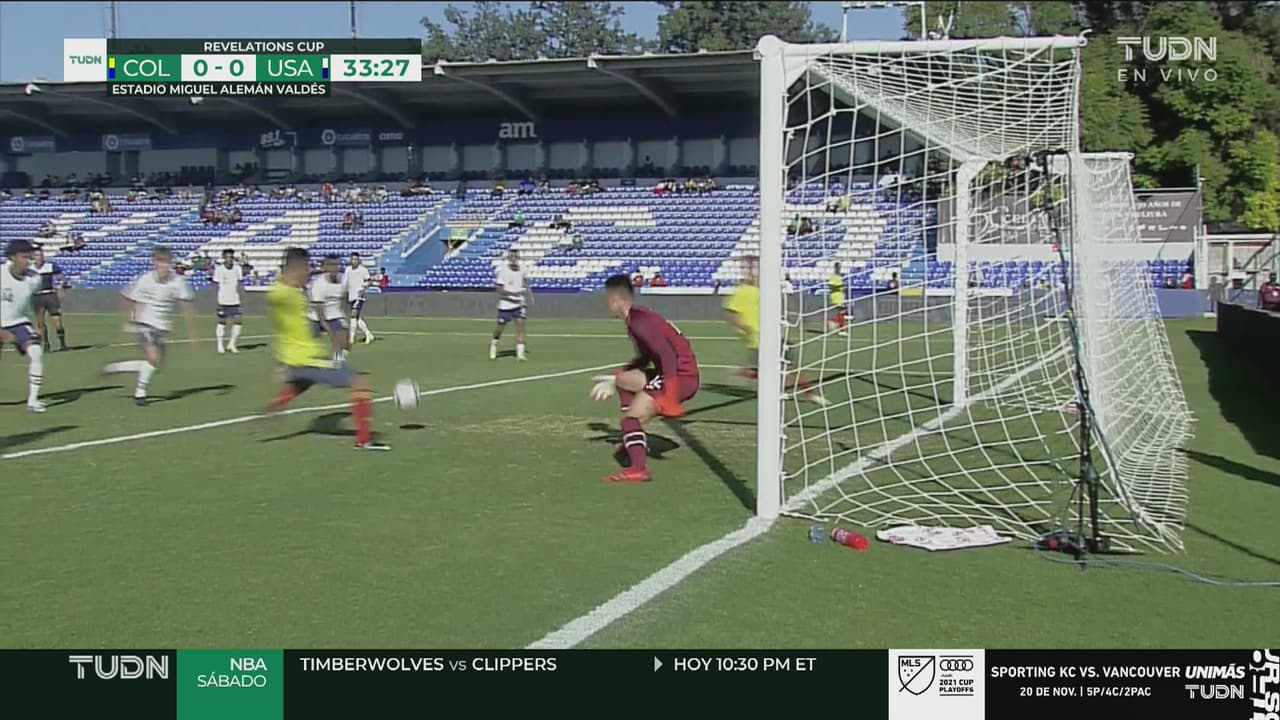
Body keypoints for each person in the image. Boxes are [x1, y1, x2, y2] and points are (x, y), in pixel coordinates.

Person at [265, 247, 388, 451]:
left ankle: (271, 409)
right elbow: (278, 314)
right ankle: (364, 440)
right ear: (295, 268)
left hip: (303, 358)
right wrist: (282, 364)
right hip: (306, 360)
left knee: (301, 384)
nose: (308, 272)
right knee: (361, 384)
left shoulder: (294, 291)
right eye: (306, 268)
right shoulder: (281, 294)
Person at [589, 274, 700, 484]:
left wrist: (670, 396)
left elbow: (667, 355)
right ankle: (631, 438)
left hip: (680, 376)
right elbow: (645, 359)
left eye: (607, 299)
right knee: (623, 381)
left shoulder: (639, 322)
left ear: (615, 299)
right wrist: (616, 376)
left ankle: (638, 469)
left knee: (630, 420)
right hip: (674, 372)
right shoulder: (636, 318)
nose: (605, 304)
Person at [101, 246, 198, 406]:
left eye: (167, 262)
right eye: (161, 262)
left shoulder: (178, 282)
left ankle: (115, 368)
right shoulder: (144, 280)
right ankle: (140, 394)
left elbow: (187, 306)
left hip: (162, 326)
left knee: (156, 364)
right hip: (145, 324)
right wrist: (127, 320)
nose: (164, 266)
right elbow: (127, 298)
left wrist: (193, 333)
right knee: (154, 359)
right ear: (154, 263)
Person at [724, 256, 826, 405]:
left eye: (754, 269)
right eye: (749, 269)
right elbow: (731, 314)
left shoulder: (764, 288)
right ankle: (744, 373)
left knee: (792, 367)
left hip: (775, 336)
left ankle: (811, 395)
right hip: (757, 340)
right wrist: (744, 328)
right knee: (764, 372)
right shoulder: (741, 292)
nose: (752, 273)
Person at [1, 240, 47, 412]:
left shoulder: (34, 279)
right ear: (12, 257)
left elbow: (36, 301)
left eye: (30, 257)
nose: (28, 261)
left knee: (36, 352)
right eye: (24, 257)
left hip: (19, 322)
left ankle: (33, 401)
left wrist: (39, 324)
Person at [490, 249, 529, 361]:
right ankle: (494, 344)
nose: (514, 260)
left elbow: (525, 281)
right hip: (506, 304)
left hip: (519, 303)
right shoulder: (503, 271)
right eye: (512, 257)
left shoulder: (522, 269)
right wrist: (512, 294)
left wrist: (529, 292)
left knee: (520, 326)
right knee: (500, 328)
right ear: (509, 259)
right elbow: (499, 289)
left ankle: (520, 354)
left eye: (516, 257)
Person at [309, 255, 349, 365]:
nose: (334, 268)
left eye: (336, 265)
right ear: (325, 267)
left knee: (345, 344)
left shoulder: (344, 280)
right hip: (316, 318)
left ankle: (338, 359)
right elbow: (319, 307)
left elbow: (345, 298)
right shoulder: (319, 284)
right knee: (305, 343)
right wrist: (326, 326)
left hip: (335, 315)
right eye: (331, 265)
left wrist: (344, 316)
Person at [30, 245, 67, 352]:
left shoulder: (50, 266)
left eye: (41, 255)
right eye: (37, 255)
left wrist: (62, 287)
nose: (40, 257)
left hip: (50, 295)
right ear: (33, 257)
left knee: (57, 321)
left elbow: (61, 277)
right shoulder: (29, 269)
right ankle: (46, 344)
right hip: (37, 296)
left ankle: (62, 344)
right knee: (40, 322)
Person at [212, 249, 244, 354]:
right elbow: (216, 285)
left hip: (235, 299)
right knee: (222, 322)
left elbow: (240, 283)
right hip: (223, 300)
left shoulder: (237, 268)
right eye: (227, 257)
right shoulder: (219, 269)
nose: (230, 259)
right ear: (224, 258)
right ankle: (220, 345)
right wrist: (217, 301)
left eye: (231, 257)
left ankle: (231, 344)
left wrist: (242, 298)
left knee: (238, 321)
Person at [343, 252, 375, 347]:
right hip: (350, 296)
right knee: (357, 318)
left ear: (358, 260)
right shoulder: (348, 270)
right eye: (352, 259)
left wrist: (364, 287)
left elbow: (369, 281)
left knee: (353, 316)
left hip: (359, 296)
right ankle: (369, 334)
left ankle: (351, 338)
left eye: (356, 259)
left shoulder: (363, 270)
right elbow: (345, 283)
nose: (354, 261)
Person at [829, 261, 847, 336]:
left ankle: (835, 322)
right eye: (838, 267)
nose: (839, 269)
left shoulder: (839, 276)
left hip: (840, 297)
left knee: (842, 312)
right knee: (842, 312)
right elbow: (830, 285)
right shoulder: (834, 277)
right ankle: (841, 330)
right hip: (836, 297)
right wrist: (840, 285)